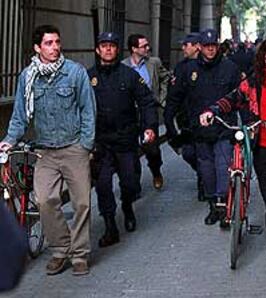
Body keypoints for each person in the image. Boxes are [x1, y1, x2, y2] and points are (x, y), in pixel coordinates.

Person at [0, 25, 96, 275]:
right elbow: (20, 114)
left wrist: (85, 145)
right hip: (46, 151)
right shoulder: (28, 76)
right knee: (45, 201)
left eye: (57, 42)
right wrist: (9, 139)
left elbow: (88, 110)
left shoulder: (75, 73)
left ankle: (79, 255)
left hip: (74, 148)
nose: (55, 48)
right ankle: (61, 249)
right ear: (37, 48)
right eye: (49, 43)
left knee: (82, 203)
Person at [200, 38, 266, 254]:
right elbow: (233, 98)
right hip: (264, 145)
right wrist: (213, 110)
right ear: (262, 60)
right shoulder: (254, 81)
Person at [88, 32, 157, 247]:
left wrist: (149, 127)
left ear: (117, 50)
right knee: (103, 186)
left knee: (130, 183)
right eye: (104, 46)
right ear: (98, 50)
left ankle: (127, 206)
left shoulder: (129, 76)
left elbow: (146, 102)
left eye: (112, 46)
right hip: (100, 142)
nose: (108, 49)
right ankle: (110, 226)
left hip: (126, 140)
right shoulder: (87, 77)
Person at [167, 28, 240, 227]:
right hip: (199, 130)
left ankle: (225, 205)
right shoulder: (188, 70)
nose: (210, 50)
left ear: (218, 46)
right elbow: (176, 97)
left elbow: (239, 97)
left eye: (213, 46)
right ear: (199, 47)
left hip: (223, 127)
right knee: (206, 169)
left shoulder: (230, 68)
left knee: (222, 166)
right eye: (206, 46)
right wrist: (170, 120)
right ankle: (212, 205)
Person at [122, 34, 170, 190]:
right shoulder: (123, 67)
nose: (147, 48)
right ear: (134, 49)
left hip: (149, 111)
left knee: (152, 147)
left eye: (147, 45)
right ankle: (134, 183)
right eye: (144, 46)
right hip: (130, 113)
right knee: (131, 149)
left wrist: (161, 98)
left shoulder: (154, 63)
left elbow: (166, 78)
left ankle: (156, 171)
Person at [164, 32, 205, 201]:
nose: (183, 48)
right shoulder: (181, 67)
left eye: (186, 45)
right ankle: (202, 173)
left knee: (204, 153)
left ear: (196, 46)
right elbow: (174, 94)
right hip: (186, 119)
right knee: (189, 153)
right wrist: (169, 117)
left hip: (205, 119)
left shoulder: (208, 65)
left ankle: (204, 182)